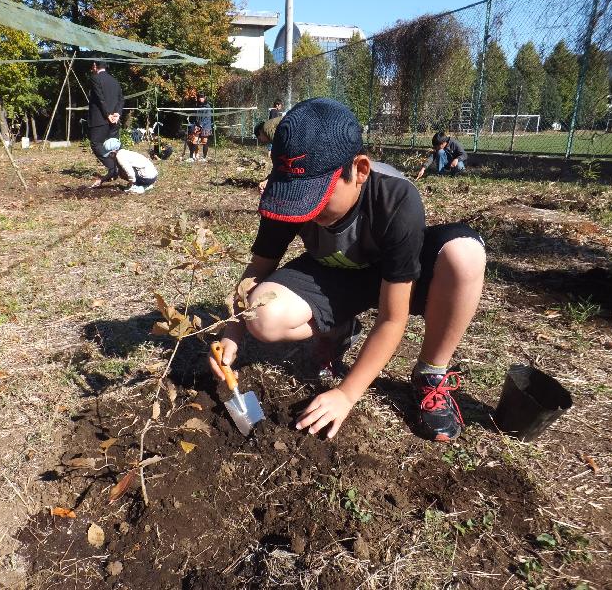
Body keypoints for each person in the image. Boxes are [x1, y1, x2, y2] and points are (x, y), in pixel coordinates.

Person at [208, 98, 486, 443]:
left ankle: (431, 372)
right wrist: (232, 330)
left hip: (394, 277)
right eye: (298, 199)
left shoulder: (396, 199)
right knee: (261, 313)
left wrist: (346, 393)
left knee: (465, 254)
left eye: (316, 198)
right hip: (336, 276)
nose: (307, 210)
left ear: (360, 171)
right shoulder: (288, 195)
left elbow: (392, 319)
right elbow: (258, 270)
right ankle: (338, 328)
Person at [88, 59, 124, 188]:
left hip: (100, 119)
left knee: (96, 143)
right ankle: (119, 168)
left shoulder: (95, 78)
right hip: (114, 120)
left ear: (94, 66)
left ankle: (112, 167)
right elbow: (121, 99)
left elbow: (100, 98)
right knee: (113, 145)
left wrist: (108, 114)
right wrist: (117, 113)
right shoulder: (115, 81)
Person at [98, 137, 171, 193]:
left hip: (148, 177)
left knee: (121, 172)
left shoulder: (120, 156)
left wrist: (131, 184)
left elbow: (129, 172)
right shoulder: (122, 152)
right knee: (120, 171)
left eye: (109, 154)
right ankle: (145, 185)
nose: (109, 156)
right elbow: (114, 171)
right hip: (152, 176)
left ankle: (137, 187)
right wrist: (102, 180)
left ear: (113, 152)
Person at [253, 116, 283, 192]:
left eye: (259, 139)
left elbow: (282, 150)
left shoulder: (266, 128)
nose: (262, 142)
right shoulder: (271, 125)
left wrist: (270, 180)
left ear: (260, 132)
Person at [191, 93, 213, 161]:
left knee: (204, 142)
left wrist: (201, 125)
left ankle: (204, 157)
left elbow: (207, 118)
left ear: (205, 97)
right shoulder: (197, 105)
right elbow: (195, 117)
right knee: (194, 140)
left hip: (206, 126)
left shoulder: (208, 106)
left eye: (202, 97)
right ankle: (193, 156)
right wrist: (195, 125)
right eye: (199, 97)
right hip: (197, 125)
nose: (201, 98)